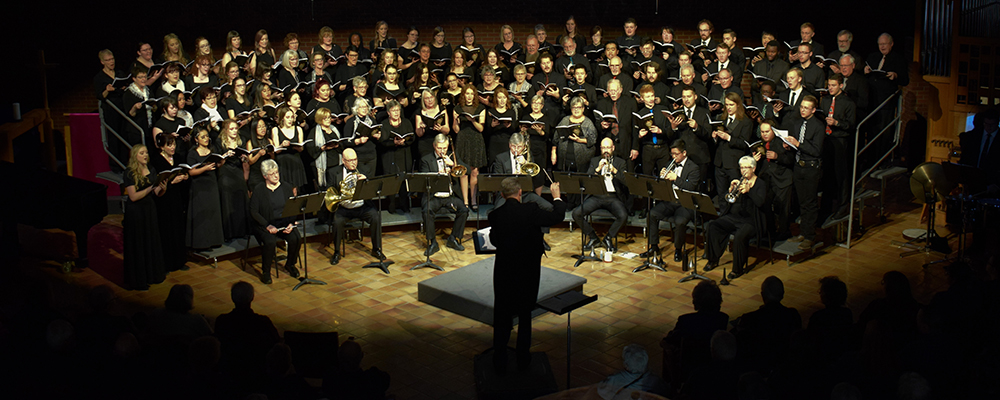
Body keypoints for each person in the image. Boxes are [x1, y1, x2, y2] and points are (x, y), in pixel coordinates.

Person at [489, 176, 566, 374]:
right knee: (525, 315)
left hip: (504, 272)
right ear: (520, 192)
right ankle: (523, 357)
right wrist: (556, 197)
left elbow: (495, 241)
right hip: (528, 272)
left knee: (502, 315)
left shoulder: (495, 215)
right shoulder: (530, 210)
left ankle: (499, 359)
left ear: (502, 195)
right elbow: (558, 216)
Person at [703, 156, 768, 280]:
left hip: (751, 221)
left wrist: (750, 191)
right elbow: (730, 202)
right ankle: (713, 260)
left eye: (746, 168)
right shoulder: (739, 181)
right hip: (735, 217)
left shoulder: (761, 184)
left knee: (739, 236)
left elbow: (760, 203)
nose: (743, 170)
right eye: (741, 167)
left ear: (753, 168)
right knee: (713, 225)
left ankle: (737, 269)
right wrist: (731, 190)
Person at [660, 280, 729, 390]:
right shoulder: (723, 319)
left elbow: (672, 340)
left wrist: (667, 338)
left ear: (696, 302)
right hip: (713, 364)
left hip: (689, 367)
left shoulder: (686, 321)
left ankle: (669, 386)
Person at [640, 139, 701, 263]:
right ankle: (654, 246)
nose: (673, 157)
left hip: (685, 204)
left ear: (684, 153)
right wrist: (661, 179)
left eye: (676, 154)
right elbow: (661, 187)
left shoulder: (694, 168)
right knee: (652, 214)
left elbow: (691, 187)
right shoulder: (670, 164)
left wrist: (676, 179)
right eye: (672, 154)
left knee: (680, 222)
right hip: (670, 201)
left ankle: (678, 249)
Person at [732, 276, 802, 375]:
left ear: (763, 295)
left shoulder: (751, 319)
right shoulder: (793, 315)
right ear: (782, 295)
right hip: (785, 366)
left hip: (759, 368)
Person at [214, 281, 280, 384]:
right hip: (257, 373)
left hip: (229, 373)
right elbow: (277, 342)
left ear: (232, 298)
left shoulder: (222, 321)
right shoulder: (262, 322)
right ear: (252, 297)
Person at [123, 145, 170, 290]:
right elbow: (133, 196)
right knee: (139, 243)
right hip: (136, 212)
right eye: (142, 153)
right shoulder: (129, 172)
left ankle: (152, 275)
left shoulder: (151, 169)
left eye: (146, 152)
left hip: (149, 210)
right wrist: (150, 188)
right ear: (135, 156)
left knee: (150, 240)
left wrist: (163, 188)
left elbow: (156, 193)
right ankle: (139, 279)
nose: (145, 155)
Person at [248, 160, 302, 284]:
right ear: (265, 176)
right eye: (272, 174)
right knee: (270, 242)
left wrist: (291, 223)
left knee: (295, 238)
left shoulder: (286, 187)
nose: (276, 176)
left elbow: (292, 208)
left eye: (277, 172)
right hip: (265, 224)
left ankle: (290, 264)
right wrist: (267, 225)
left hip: (284, 222)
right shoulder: (259, 189)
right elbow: (253, 211)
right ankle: (266, 272)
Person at [327, 148, 384, 265]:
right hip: (343, 208)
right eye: (350, 160)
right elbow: (329, 192)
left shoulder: (364, 170)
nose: (353, 163)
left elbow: (372, 191)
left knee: (376, 217)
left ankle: (376, 249)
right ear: (343, 161)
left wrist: (366, 182)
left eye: (355, 159)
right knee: (337, 222)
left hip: (362, 207)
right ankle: (337, 252)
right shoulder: (333, 172)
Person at [572, 137, 629, 252]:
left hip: (613, 197)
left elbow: (627, 181)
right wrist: (598, 169)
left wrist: (615, 171)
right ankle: (593, 238)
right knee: (576, 213)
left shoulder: (620, 162)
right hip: (596, 196)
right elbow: (587, 180)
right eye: (603, 148)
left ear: (613, 148)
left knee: (623, 216)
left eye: (608, 147)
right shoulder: (594, 161)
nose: (606, 150)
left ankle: (609, 238)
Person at [418, 134, 470, 256]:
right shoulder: (426, 159)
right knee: (427, 211)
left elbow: (467, 169)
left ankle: (453, 238)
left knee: (464, 210)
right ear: (434, 146)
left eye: (445, 148)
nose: (442, 151)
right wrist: (439, 174)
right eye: (440, 148)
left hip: (450, 195)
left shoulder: (453, 156)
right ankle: (432, 243)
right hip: (434, 196)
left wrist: (452, 164)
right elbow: (424, 181)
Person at [785, 95, 824, 250]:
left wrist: (798, 144)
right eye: (801, 107)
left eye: (806, 108)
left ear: (813, 110)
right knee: (801, 202)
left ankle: (810, 236)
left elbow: (816, 150)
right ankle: (803, 232)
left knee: (810, 202)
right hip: (798, 166)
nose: (802, 110)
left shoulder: (818, 126)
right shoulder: (798, 122)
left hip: (811, 168)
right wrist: (789, 145)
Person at [149, 134, 190, 273]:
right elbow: (157, 182)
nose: (173, 147)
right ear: (161, 147)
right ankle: (167, 263)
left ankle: (180, 261)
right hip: (164, 200)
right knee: (166, 230)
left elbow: (185, 172)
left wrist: (185, 176)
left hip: (177, 198)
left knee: (178, 228)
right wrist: (172, 182)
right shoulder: (156, 160)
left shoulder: (178, 158)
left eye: (173, 144)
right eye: (169, 145)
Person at [820, 74, 858, 220]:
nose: (830, 88)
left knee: (841, 176)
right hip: (827, 140)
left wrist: (837, 123)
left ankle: (843, 207)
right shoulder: (825, 100)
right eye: (829, 85)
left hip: (841, 141)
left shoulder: (848, 103)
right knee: (827, 175)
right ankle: (826, 208)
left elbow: (851, 125)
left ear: (841, 86)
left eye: (833, 85)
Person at [185, 128, 226, 250]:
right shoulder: (192, 153)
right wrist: (205, 168)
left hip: (211, 183)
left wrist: (221, 161)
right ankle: (202, 243)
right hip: (199, 185)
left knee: (212, 212)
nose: (206, 139)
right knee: (202, 214)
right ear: (196, 139)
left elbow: (216, 165)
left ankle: (214, 240)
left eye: (207, 136)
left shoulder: (212, 150)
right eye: (202, 137)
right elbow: (191, 172)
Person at [453, 84, 487, 209]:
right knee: (463, 171)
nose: (469, 96)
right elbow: (456, 130)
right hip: (462, 139)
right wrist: (456, 120)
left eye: (471, 94)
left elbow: (481, 128)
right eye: (467, 94)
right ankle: (465, 201)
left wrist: (472, 120)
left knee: (474, 171)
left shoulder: (480, 108)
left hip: (475, 139)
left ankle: (473, 200)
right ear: (463, 95)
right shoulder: (458, 108)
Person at [713, 92, 752, 196]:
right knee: (721, 193)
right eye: (727, 105)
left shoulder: (745, 122)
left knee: (735, 192)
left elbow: (744, 143)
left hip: (733, 163)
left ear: (738, 105)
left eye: (731, 105)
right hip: (720, 163)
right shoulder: (720, 119)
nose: (728, 107)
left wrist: (729, 138)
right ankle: (723, 212)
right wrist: (714, 138)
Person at [595, 344, 669, 399]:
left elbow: (602, 391)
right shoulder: (655, 380)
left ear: (626, 364)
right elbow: (666, 393)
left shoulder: (615, 378)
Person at [595, 78, 638, 172]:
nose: (613, 93)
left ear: (620, 90)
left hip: (626, 145)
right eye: (610, 91)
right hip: (609, 145)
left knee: (627, 177)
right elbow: (597, 125)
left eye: (615, 90)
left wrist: (635, 147)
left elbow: (635, 126)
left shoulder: (630, 102)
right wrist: (602, 126)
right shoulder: (602, 103)